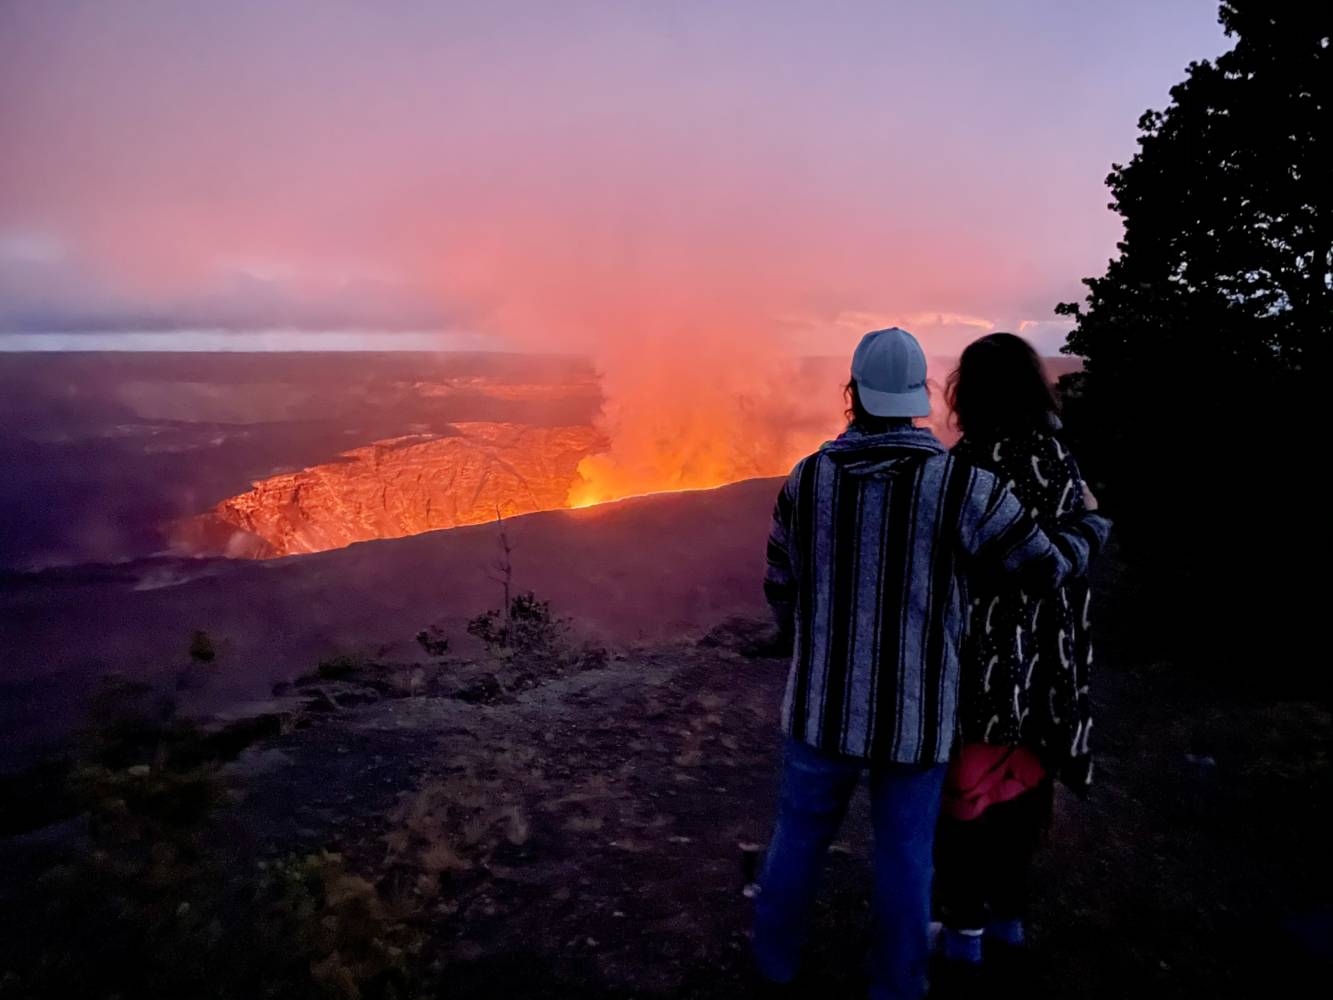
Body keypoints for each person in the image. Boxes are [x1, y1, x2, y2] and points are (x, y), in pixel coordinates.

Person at [753, 327, 1110, 999]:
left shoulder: (805, 480)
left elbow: (780, 584)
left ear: (852, 394)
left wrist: (810, 642)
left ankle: (774, 965)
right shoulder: (962, 485)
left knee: (797, 840)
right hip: (914, 716)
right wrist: (1090, 524)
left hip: (818, 708)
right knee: (904, 855)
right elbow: (1044, 568)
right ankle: (897, 984)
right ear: (917, 397)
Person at [932, 332, 1098, 978]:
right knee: (1025, 789)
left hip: (985, 666)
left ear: (965, 393)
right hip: (1049, 664)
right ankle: (1008, 919)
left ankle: (966, 937)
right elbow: (1073, 545)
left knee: (969, 798)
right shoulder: (1059, 460)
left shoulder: (964, 467)